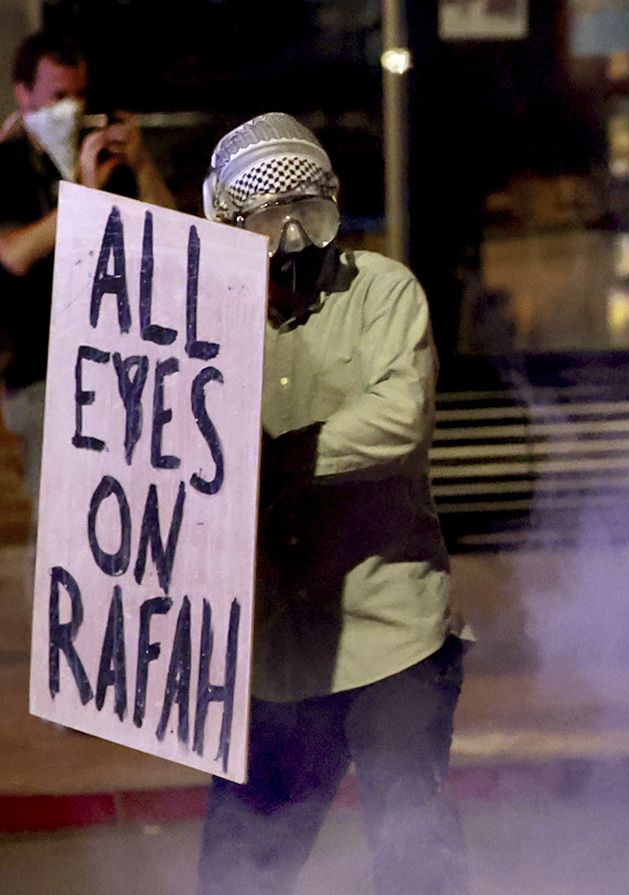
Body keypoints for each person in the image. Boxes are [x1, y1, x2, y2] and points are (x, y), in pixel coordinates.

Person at [194, 113, 468, 895]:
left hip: (390, 633)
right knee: (237, 868)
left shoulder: (384, 292)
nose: (285, 242)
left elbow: (400, 418)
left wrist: (276, 457)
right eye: (259, 219)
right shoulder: (203, 314)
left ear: (331, 208)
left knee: (417, 857)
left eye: (301, 214)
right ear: (225, 222)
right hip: (272, 650)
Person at [0, 30, 172, 493]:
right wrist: (84, 199)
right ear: (24, 94)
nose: (71, 108)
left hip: (120, 370)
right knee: (59, 515)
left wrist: (140, 165)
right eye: (58, 96)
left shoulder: (99, 157)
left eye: (79, 95)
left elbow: (173, 236)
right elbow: (13, 253)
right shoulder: (8, 164)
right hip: (43, 374)